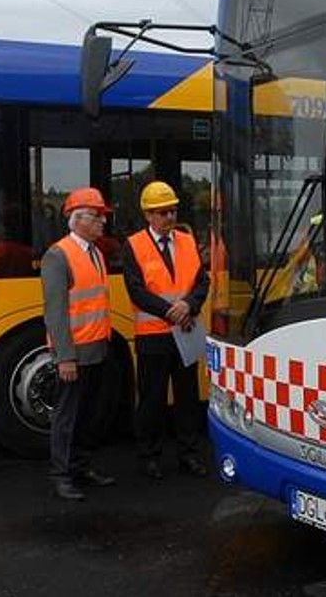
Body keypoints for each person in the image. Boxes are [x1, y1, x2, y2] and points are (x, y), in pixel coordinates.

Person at [122, 181, 210, 480]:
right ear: (148, 215)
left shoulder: (186, 240)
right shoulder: (133, 245)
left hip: (185, 331)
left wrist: (189, 304)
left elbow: (202, 282)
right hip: (154, 335)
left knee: (188, 397)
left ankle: (189, 453)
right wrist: (171, 311)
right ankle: (149, 455)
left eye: (172, 210)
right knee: (151, 399)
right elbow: (136, 291)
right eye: (162, 212)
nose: (169, 217)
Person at [42, 186, 118, 501]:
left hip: (98, 349)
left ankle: (81, 467)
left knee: (88, 416)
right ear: (79, 219)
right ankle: (62, 475)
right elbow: (56, 312)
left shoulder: (96, 252)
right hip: (75, 355)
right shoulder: (58, 255)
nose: (103, 222)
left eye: (102, 216)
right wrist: (65, 358)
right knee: (67, 417)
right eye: (98, 216)